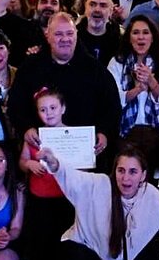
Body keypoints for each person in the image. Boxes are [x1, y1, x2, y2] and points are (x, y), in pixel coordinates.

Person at [8, 13, 121, 171]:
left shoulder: (95, 70)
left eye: (69, 33)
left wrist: (104, 132)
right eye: (58, 34)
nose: (65, 39)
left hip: (85, 162)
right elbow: (15, 105)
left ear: (76, 35)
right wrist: (26, 127)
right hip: (43, 159)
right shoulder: (30, 68)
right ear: (47, 36)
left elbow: (112, 108)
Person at [18, 88, 75, 260]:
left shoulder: (73, 135)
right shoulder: (33, 137)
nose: (49, 113)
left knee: (64, 244)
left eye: (52, 108)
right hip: (39, 199)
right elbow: (23, 160)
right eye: (43, 110)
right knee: (39, 245)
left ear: (63, 108)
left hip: (65, 199)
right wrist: (29, 164)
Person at [107, 16, 159, 158]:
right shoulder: (117, 62)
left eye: (145, 33)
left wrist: (151, 81)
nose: (141, 37)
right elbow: (112, 97)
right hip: (125, 130)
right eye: (136, 32)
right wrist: (137, 89)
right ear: (128, 38)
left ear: (152, 38)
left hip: (156, 130)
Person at [77, 0, 121, 65]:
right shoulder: (73, 36)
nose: (97, 9)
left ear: (111, 11)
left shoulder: (120, 38)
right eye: (92, 4)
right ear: (85, 8)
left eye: (103, 5)